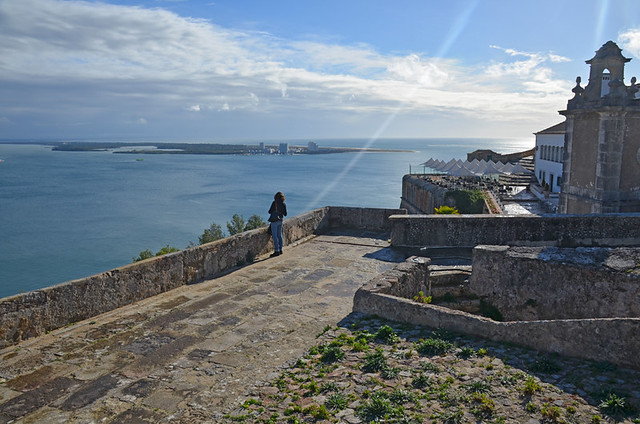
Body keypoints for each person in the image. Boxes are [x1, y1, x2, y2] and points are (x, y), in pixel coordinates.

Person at [268, 192, 287, 257]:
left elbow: (269, 211)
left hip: (274, 221)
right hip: (280, 220)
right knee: (279, 235)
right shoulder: (283, 204)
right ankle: (281, 249)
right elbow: (285, 214)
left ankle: (276, 251)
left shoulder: (274, 203)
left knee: (275, 236)